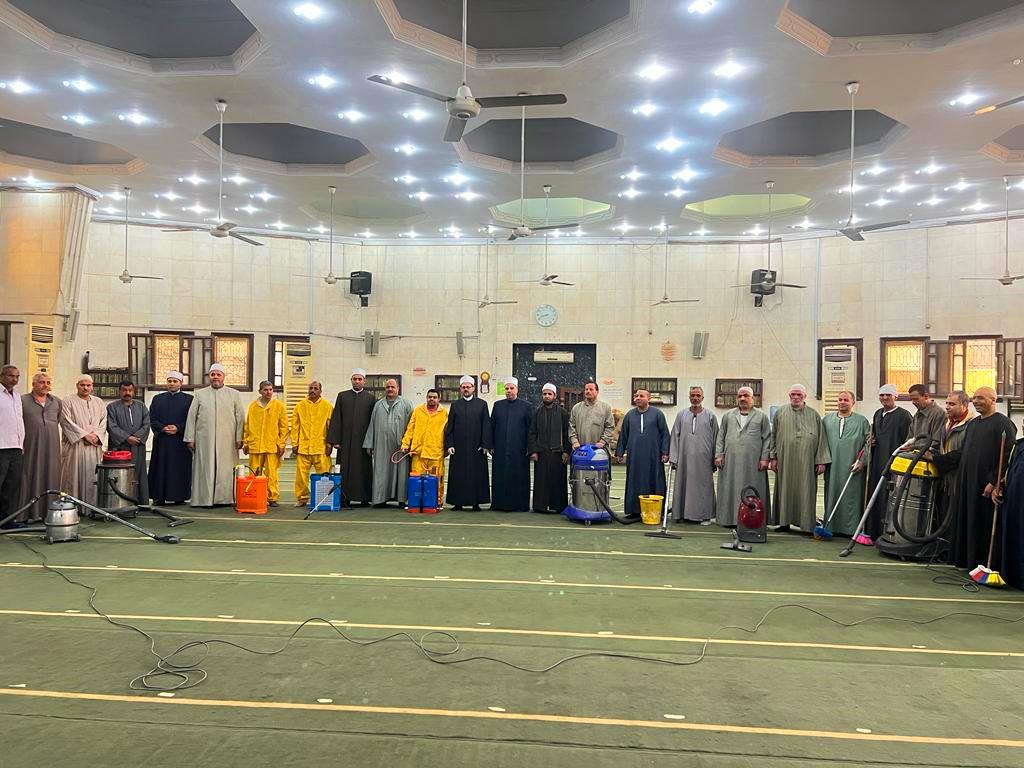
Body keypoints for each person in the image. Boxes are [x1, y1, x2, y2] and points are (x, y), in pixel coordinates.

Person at [948, 387, 1016, 570]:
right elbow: (965, 451)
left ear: (993, 400)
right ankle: (966, 561)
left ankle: (983, 563)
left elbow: (1007, 455)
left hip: (985, 484)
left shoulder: (1003, 423)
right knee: (967, 519)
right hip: (968, 481)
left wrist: (994, 481)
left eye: (981, 398)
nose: (976, 401)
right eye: (974, 398)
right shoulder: (973, 424)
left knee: (982, 523)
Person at [769, 384, 830, 533]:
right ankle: (784, 523)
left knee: (806, 490)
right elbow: (773, 435)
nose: (796, 397)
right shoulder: (780, 413)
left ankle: (806, 524)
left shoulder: (814, 415)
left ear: (804, 397)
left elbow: (822, 438)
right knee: (784, 489)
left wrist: (821, 461)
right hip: (785, 460)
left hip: (807, 462)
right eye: (793, 394)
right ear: (789, 396)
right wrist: (773, 457)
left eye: (799, 395)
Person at [184, 363, 245, 507]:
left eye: (218, 374)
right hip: (205, 439)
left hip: (228, 439)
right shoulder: (200, 394)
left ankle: (226, 498)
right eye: (213, 374)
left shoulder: (234, 394)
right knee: (205, 468)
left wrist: (239, 437)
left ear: (223, 377)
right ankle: (204, 499)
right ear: (209, 376)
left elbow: (240, 418)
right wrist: (190, 438)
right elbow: (191, 417)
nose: (215, 377)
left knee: (226, 468)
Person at [714, 385, 771, 528]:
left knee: (753, 489)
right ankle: (729, 519)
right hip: (730, 462)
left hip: (753, 463)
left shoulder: (761, 417)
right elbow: (721, 437)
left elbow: (767, 439)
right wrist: (719, 455)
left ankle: (754, 519)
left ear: (753, 398)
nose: (742, 398)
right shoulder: (728, 416)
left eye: (746, 395)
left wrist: (765, 458)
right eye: (739, 396)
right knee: (730, 489)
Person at [864, 384, 912, 541]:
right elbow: (875, 436)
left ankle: (888, 532)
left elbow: (908, 441)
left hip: (894, 464)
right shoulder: (878, 414)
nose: (885, 398)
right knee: (876, 495)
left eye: (888, 395)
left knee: (889, 496)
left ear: (895, 397)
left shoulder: (904, 415)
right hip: (877, 463)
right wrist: (871, 442)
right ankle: (873, 530)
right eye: (882, 395)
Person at [821, 391, 869, 536]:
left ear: (853, 402)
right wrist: (822, 461)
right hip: (832, 467)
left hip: (853, 467)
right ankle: (831, 526)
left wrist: (862, 461)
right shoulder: (826, 420)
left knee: (852, 497)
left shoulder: (862, 421)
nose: (842, 402)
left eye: (846, 400)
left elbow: (869, 442)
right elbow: (821, 443)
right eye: (840, 399)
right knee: (832, 494)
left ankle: (851, 528)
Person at [615, 389, 669, 518]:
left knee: (656, 480)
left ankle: (658, 511)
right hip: (635, 456)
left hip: (654, 456)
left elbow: (665, 434)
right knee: (634, 481)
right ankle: (634, 510)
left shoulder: (658, 414)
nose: (638, 398)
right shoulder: (629, 415)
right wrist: (619, 452)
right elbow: (623, 435)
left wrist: (665, 452)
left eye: (641, 396)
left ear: (648, 398)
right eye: (636, 396)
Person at [669, 386, 718, 524]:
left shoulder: (711, 416)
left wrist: (715, 458)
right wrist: (674, 457)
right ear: (689, 397)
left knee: (704, 487)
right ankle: (681, 514)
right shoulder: (681, 415)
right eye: (693, 395)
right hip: (684, 459)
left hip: (704, 459)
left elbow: (716, 438)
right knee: (683, 485)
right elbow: (675, 436)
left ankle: (705, 516)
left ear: (702, 398)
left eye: (698, 395)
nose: (695, 398)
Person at [327, 368, 375, 506]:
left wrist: (371, 442)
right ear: (351, 380)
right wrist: (335, 440)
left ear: (364, 381)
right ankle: (344, 498)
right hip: (345, 442)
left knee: (363, 470)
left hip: (363, 442)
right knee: (344, 470)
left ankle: (364, 498)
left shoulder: (370, 398)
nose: (357, 381)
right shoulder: (342, 396)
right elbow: (336, 418)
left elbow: (373, 422)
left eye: (360, 379)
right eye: (355, 379)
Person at [363, 378, 413, 507]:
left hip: (400, 447)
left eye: (392, 387)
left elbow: (412, 426)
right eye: (387, 387)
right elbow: (372, 425)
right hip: (381, 446)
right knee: (381, 472)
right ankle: (380, 499)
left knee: (401, 473)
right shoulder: (378, 405)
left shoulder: (406, 404)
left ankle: (401, 499)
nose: (390, 389)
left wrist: (410, 444)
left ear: (398, 389)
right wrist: (369, 444)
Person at [444, 375, 492, 510]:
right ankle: (457, 503)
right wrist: (450, 444)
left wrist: (485, 445)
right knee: (458, 476)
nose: (466, 389)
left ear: (473, 388)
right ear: (460, 389)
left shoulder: (482, 404)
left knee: (476, 475)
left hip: (477, 448)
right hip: (459, 448)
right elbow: (450, 427)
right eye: (463, 387)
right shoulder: (455, 405)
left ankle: (476, 503)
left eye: (468, 387)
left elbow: (486, 425)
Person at [19, 372, 62, 522]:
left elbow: (57, 420)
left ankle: (49, 513)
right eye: (42, 382)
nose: (45, 385)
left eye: (48, 383)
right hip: (30, 446)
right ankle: (25, 515)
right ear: (33, 384)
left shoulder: (56, 401)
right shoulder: (22, 400)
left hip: (51, 448)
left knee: (51, 476)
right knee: (28, 476)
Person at [59, 374, 107, 506]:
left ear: (92, 387)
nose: (85, 388)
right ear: (77, 386)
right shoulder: (68, 401)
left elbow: (104, 421)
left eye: (88, 385)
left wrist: (96, 436)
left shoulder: (98, 402)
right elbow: (65, 421)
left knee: (93, 477)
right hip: (76, 447)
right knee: (73, 477)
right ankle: (72, 507)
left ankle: (91, 507)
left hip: (94, 446)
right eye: (82, 385)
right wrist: (84, 435)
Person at [148, 371, 193, 505]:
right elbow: (152, 418)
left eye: (175, 381)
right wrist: (162, 428)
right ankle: (158, 497)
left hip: (180, 441)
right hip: (162, 441)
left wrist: (178, 428)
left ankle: (179, 497)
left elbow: (191, 420)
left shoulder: (189, 400)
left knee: (178, 469)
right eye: (169, 381)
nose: (172, 384)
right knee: (160, 468)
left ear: (181, 383)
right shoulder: (157, 399)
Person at [926, 391, 975, 514]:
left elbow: (963, 453)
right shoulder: (947, 423)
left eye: (952, 404)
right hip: (945, 481)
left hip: (960, 480)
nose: (947, 407)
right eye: (947, 403)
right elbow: (941, 446)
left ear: (964, 406)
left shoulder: (972, 425)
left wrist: (935, 459)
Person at [242, 380, 289, 506]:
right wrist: (246, 442)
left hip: (271, 445)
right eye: (265, 390)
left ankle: (272, 497)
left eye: (270, 389)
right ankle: (255, 495)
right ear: (260, 391)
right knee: (254, 472)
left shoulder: (279, 406)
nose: (268, 392)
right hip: (255, 445)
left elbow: (284, 427)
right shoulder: (253, 406)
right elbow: (247, 425)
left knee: (271, 473)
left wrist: (281, 444)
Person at [490, 376, 533, 511]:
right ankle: (499, 504)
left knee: (518, 477)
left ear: (517, 389)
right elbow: (492, 427)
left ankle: (519, 505)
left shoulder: (526, 406)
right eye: (507, 388)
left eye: (511, 388)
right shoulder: (498, 406)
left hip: (519, 450)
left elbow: (531, 429)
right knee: (500, 476)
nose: (509, 391)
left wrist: (530, 448)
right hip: (500, 449)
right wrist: (491, 445)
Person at [401, 389, 448, 507]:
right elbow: (410, 429)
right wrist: (405, 444)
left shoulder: (444, 413)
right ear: (426, 398)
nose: (432, 399)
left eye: (434, 397)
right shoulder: (418, 411)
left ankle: (437, 502)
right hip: (418, 452)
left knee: (436, 480)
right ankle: (416, 503)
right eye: (430, 397)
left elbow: (447, 433)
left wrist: (447, 449)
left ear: (439, 399)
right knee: (416, 480)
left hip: (435, 453)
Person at [528, 383, 570, 514]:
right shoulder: (537, 412)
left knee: (558, 481)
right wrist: (533, 451)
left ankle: (558, 506)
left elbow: (567, 433)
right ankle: (540, 506)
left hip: (558, 454)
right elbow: (532, 433)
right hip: (542, 453)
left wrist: (566, 452)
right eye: (545, 394)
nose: (547, 396)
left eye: (549, 394)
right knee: (541, 482)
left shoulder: (563, 413)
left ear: (554, 396)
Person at [106, 380, 151, 503]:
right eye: (124, 390)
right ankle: (121, 502)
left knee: (138, 473)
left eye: (130, 390)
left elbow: (146, 424)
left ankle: (140, 502)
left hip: (137, 446)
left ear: (134, 391)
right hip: (120, 448)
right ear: (119, 391)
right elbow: (111, 426)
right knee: (121, 475)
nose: (127, 392)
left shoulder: (141, 406)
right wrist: (127, 438)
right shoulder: (112, 407)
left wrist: (136, 437)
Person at [290, 380, 333, 508]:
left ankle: (324, 497)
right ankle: (302, 498)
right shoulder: (300, 406)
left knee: (324, 475)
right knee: (301, 476)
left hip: (321, 447)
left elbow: (331, 427)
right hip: (303, 447)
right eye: (311, 388)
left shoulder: (327, 406)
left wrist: (329, 444)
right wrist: (294, 443)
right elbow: (295, 427)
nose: (312, 391)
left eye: (315, 388)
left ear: (320, 391)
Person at [0, 365, 24, 527]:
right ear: (2, 376)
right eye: (10, 376)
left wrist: (21, 444)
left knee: (11, 486)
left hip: (16, 447)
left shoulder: (16, 396)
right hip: (1, 447)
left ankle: (7, 520)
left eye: (17, 376)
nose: (14, 379)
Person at [999, 434, 1024, 589]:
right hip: (1013, 501)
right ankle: (1013, 577)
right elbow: (1010, 470)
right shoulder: (1018, 446)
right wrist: (1001, 486)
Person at [569, 381, 614, 450]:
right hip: (580, 449)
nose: (588, 391)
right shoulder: (576, 408)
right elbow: (572, 426)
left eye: (591, 389)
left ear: (597, 391)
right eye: (586, 389)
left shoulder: (605, 408)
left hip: (599, 449)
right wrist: (574, 441)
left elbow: (610, 427)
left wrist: (603, 441)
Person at [907, 383, 945, 449]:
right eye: (911, 399)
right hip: (915, 452)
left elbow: (937, 441)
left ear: (926, 396)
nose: (913, 402)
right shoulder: (917, 414)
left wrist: (914, 448)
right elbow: (910, 437)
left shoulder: (939, 413)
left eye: (916, 399)